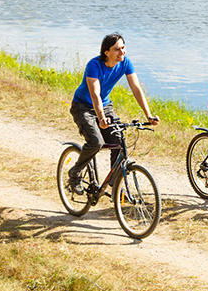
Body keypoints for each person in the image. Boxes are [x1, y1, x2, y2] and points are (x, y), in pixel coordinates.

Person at [68, 32, 159, 193]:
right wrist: (101, 118)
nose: (122, 52)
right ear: (107, 52)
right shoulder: (94, 65)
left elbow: (136, 88)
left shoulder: (125, 63)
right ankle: (75, 172)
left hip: (105, 105)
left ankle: (114, 183)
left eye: (123, 47)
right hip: (83, 107)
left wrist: (148, 115)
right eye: (117, 49)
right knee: (96, 142)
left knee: (119, 141)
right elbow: (95, 94)